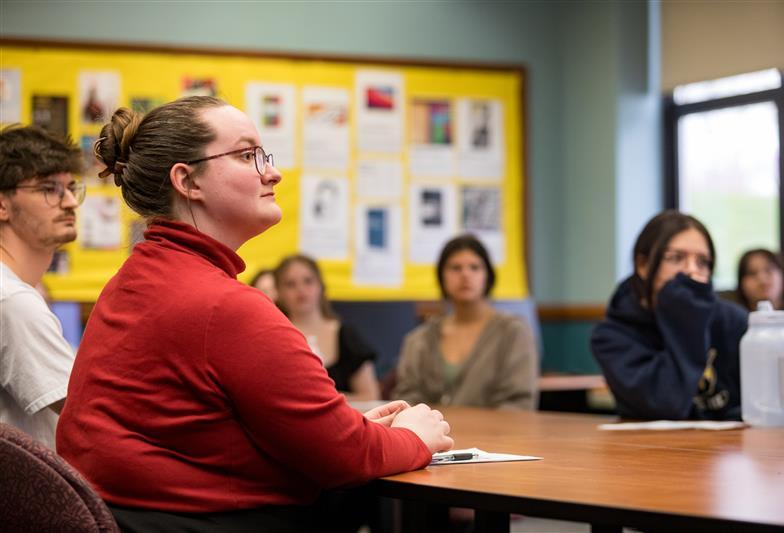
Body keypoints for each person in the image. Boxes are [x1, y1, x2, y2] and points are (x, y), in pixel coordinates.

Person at [55, 96, 453, 532]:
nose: (272, 173)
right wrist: (414, 437)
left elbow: (202, 435)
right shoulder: (223, 305)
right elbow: (348, 457)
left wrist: (347, 429)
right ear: (187, 181)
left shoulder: (132, 281)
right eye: (247, 156)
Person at [590, 210, 784, 421]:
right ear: (643, 265)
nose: (692, 271)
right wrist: (687, 319)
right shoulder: (612, 337)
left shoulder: (733, 321)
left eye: (703, 261)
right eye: (676, 258)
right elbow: (666, 405)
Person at [0, 124, 84, 449]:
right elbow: (90, 415)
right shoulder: (12, 300)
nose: (71, 202)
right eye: (50, 189)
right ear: (3, 205)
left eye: (72, 188)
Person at [393, 234, 538, 410]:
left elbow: (519, 402)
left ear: (488, 276)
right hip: (431, 427)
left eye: (475, 267)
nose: (465, 274)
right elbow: (406, 398)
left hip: (497, 428)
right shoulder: (419, 339)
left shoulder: (513, 332)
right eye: (455, 268)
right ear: (442, 277)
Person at [274, 255, 381, 401]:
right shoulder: (275, 338)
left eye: (308, 281)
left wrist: (324, 400)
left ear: (320, 285)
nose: (301, 289)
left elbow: (370, 397)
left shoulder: (346, 336)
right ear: (278, 292)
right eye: (290, 284)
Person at [735, 248, 784, 333]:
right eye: (752, 273)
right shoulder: (732, 327)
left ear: (783, 275)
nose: (762, 279)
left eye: (769, 270)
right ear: (741, 284)